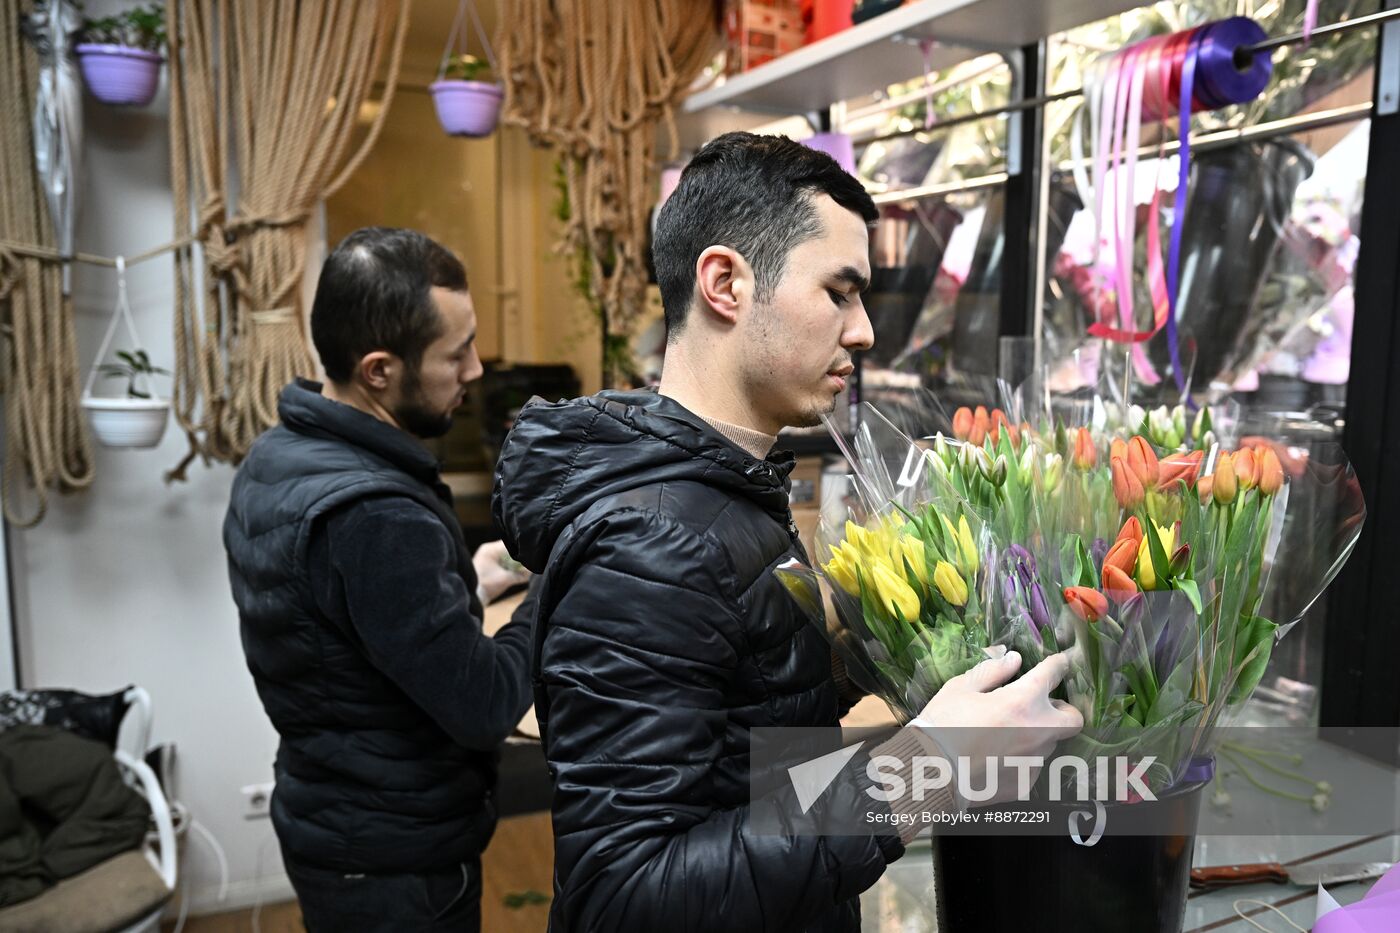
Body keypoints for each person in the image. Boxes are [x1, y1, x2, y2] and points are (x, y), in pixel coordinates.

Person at [492, 132, 1083, 932]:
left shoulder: (724, 491)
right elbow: (624, 897)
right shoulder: (650, 543)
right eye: (839, 291)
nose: (866, 329)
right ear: (726, 282)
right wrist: (923, 770)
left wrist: (877, 645)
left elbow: (731, 733)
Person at [225, 227, 533, 932]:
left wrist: (467, 579)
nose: (478, 369)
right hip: (398, 864)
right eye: (456, 354)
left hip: (332, 822)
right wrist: (548, 587)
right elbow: (486, 705)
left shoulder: (279, 456)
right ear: (378, 370)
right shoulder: (376, 516)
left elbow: (338, 619)